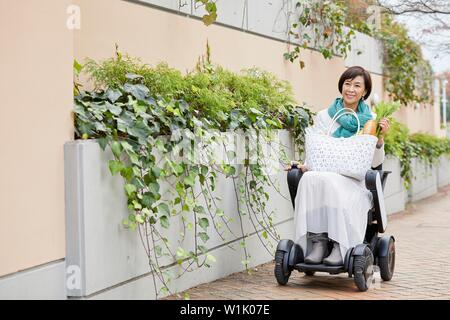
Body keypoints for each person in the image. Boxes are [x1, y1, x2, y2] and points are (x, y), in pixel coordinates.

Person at [287, 66, 390, 266]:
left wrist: (380, 139)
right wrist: (304, 165)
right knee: (309, 178)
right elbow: (316, 150)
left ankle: (338, 244)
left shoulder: (370, 121)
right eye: (347, 84)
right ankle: (318, 242)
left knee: (331, 181)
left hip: (353, 179)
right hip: (325, 173)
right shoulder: (325, 116)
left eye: (357, 85)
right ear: (341, 86)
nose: (350, 89)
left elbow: (375, 162)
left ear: (364, 92)